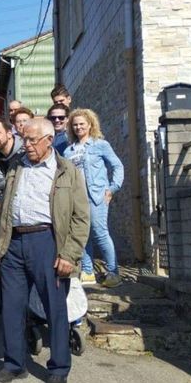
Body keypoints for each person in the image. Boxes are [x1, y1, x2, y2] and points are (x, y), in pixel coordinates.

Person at [0, 118, 89, 383]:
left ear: (49, 140)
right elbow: (6, 206)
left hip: (47, 242)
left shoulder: (66, 171)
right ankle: (14, 364)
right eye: (25, 140)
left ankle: (59, 368)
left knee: (55, 307)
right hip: (15, 243)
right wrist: (2, 245)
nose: (28, 145)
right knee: (11, 307)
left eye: (33, 140)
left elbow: (81, 217)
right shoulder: (17, 167)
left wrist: (70, 254)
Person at [64, 108, 124, 288]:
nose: (78, 127)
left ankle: (113, 273)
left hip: (96, 196)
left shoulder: (100, 145)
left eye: (82, 124)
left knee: (100, 233)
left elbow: (118, 166)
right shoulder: (68, 151)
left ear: (90, 125)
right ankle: (88, 272)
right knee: (82, 236)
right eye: (75, 125)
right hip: (76, 198)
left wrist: (112, 188)